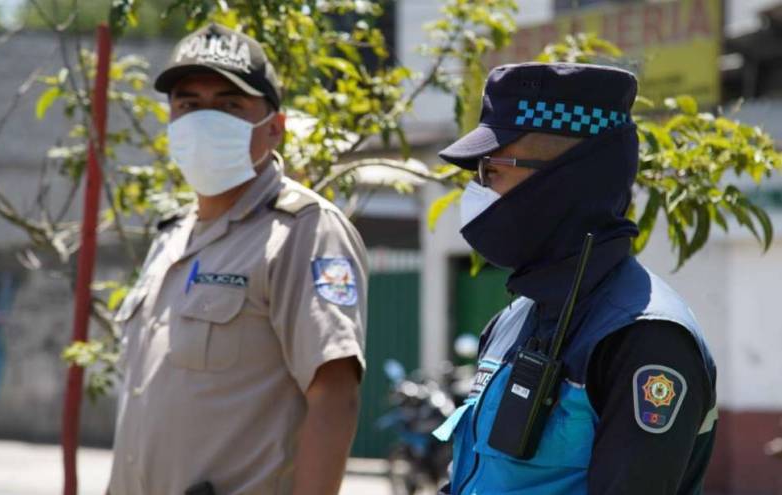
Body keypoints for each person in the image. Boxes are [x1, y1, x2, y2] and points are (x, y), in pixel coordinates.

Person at [433, 63, 718, 494]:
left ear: (563, 179)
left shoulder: (645, 338)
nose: (477, 191)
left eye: (492, 171)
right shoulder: (514, 319)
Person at [107, 23, 368, 495]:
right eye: (188, 104)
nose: (205, 120)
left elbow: (335, 395)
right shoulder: (171, 236)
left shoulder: (303, 231)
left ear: (274, 127)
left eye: (230, 104)